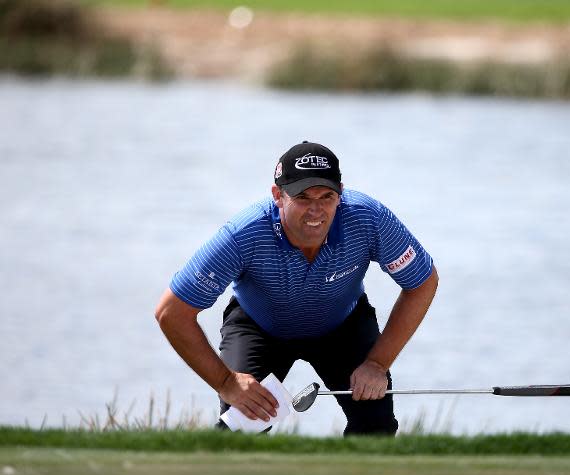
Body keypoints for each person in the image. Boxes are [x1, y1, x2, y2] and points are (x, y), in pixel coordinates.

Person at [154, 141, 438, 435]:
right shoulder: (244, 234)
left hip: (343, 326)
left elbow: (423, 282)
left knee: (375, 424)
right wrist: (226, 382)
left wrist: (378, 363)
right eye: (302, 197)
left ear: (340, 193)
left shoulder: (368, 218)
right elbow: (171, 313)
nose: (316, 209)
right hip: (259, 326)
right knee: (243, 428)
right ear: (278, 195)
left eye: (327, 196)